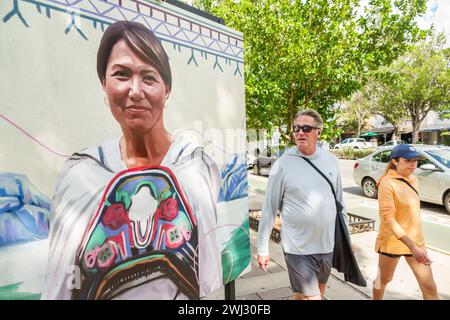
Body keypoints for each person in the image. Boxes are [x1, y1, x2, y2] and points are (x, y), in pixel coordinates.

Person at [42, 21, 222, 300]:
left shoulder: (198, 167)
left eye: (149, 77)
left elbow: (207, 279)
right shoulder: (79, 177)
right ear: (105, 83)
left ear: (167, 90)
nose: (135, 91)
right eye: (122, 74)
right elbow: (61, 288)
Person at [256, 109, 349, 300]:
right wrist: (262, 249)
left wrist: (346, 237)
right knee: (312, 297)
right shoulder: (282, 165)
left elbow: (340, 203)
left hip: (326, 245)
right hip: (297, 247)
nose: (300, 132)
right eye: (296, 128)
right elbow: (269, 210)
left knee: (317, 291)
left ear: (318, 132)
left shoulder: (331, 161)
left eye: (306, 128)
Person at [373, 144, 439, 300]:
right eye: (408, 160)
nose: (413, 164)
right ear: (395, 161)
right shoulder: (387, 183)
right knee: (383, 280)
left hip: (416, 242)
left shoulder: (414, 180)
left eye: (415, 160)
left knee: (429, 286)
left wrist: (416, 246)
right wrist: (412, 246)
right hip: (392, 242)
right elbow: (388, 218)